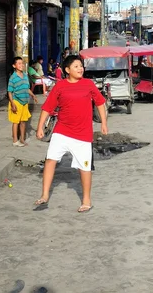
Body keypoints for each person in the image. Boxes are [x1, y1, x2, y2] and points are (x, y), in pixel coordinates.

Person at [35, 55, 108, 213]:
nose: (80, 68)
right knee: (50, 160)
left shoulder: (88, 84)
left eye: (81, 66)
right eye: (76, 66)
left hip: (82, 134)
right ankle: (45, 195)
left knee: (84, 168)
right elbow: (47, 107)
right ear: (67, 70)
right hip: (62, 131)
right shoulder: (60, 86)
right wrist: (40, 127)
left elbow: (100, 103)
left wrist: (103, 123)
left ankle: (86, 200)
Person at [8, 57, 38, 147]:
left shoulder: (25, 75)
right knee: (16, 122)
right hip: (16, 102)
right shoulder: (13, 78)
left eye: (22, 63)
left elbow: (27, 88)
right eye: (19, 63)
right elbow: (9, 91)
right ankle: (15, 140)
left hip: (25, 102)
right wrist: (12, 103)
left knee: (23, 121)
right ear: (14, 66)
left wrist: (33, 95)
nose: (21, 65)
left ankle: (22, 139)